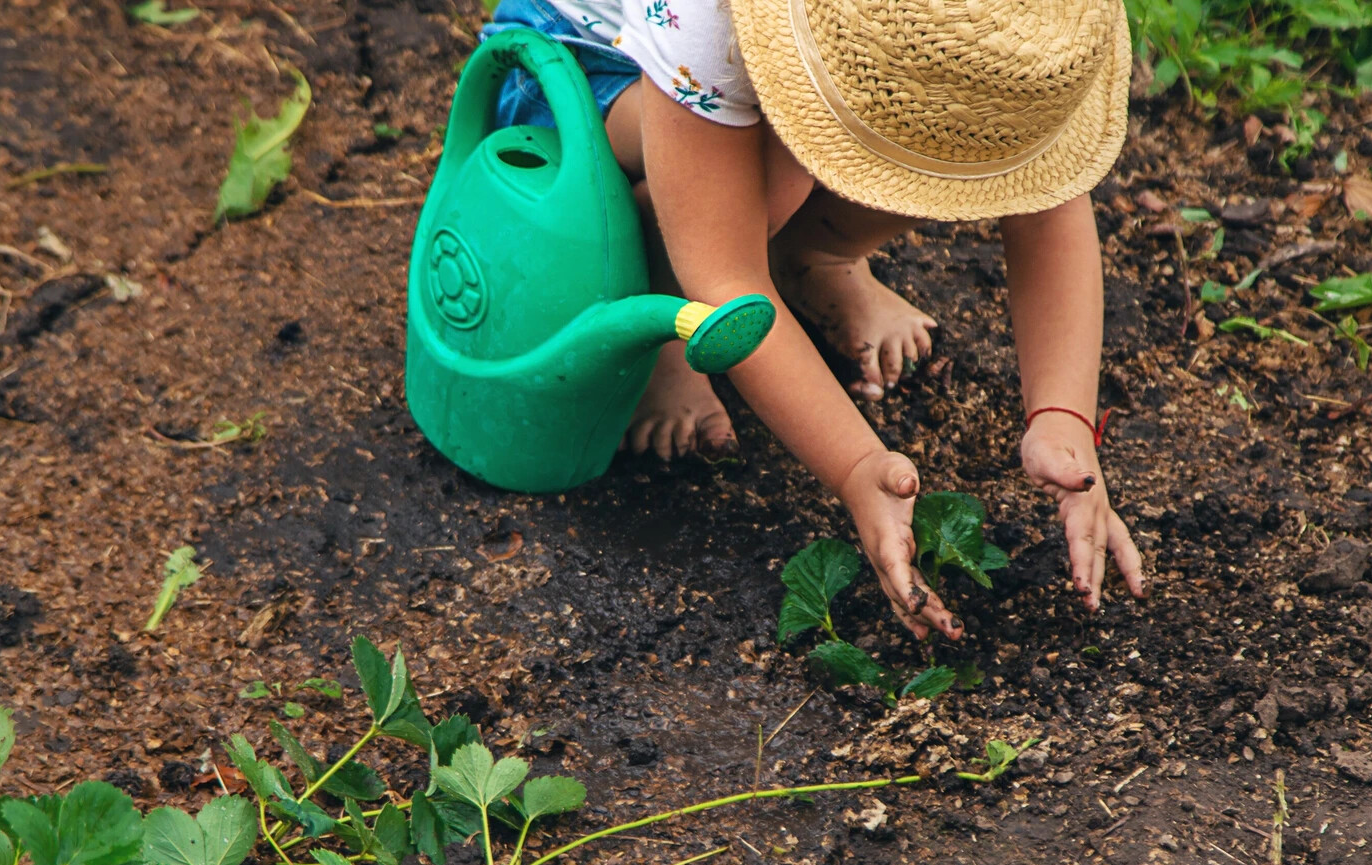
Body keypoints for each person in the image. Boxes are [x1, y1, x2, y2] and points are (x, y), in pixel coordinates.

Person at [482, 0, 1148, 636]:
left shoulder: (1022, 46)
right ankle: (660, 317)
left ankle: (817, 256)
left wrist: (1064, 422)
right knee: (774, 174)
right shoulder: (708, 21)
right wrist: (857, 468)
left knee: (953, 154)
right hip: (582, 69)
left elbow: (1049, 203)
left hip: (753, 78)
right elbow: (728, 279)